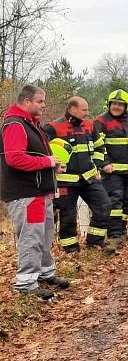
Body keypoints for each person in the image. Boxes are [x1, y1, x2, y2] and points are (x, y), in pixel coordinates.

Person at [0, 85, 70, 300]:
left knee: (45, 234)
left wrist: (52, 165)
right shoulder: (15, 124)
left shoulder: (31, 124)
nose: (43, 105)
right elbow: (15, 158)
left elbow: (33, 156)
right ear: (26, 101)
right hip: (26, 193)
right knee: (31, 237)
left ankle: (44, 273)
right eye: (40, 101)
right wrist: (46, 161)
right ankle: (26, 283)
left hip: (41, 191)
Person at [42, 97, 115, 256]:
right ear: (72, 109)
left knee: (104, 206)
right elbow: (42, 149)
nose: (87, 113)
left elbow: (99, 148)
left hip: (89, 178)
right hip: (65, 182)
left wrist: (97, 166)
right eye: (84, 109)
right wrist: (53, 165)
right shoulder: (52, 127)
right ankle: (71, 250)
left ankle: (95, 242)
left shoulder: (90, 125)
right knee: (68, 216)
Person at [93, 89, 128, 249]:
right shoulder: (101, 121)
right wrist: (104, 163)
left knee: (127, 202)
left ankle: (122, 230)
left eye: (120, 104)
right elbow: (98, 146)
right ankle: (114, 235)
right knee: (115, 201)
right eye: (114, 104)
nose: (117, 107)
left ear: (126, 106)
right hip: (112, 171)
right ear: (109, 104)